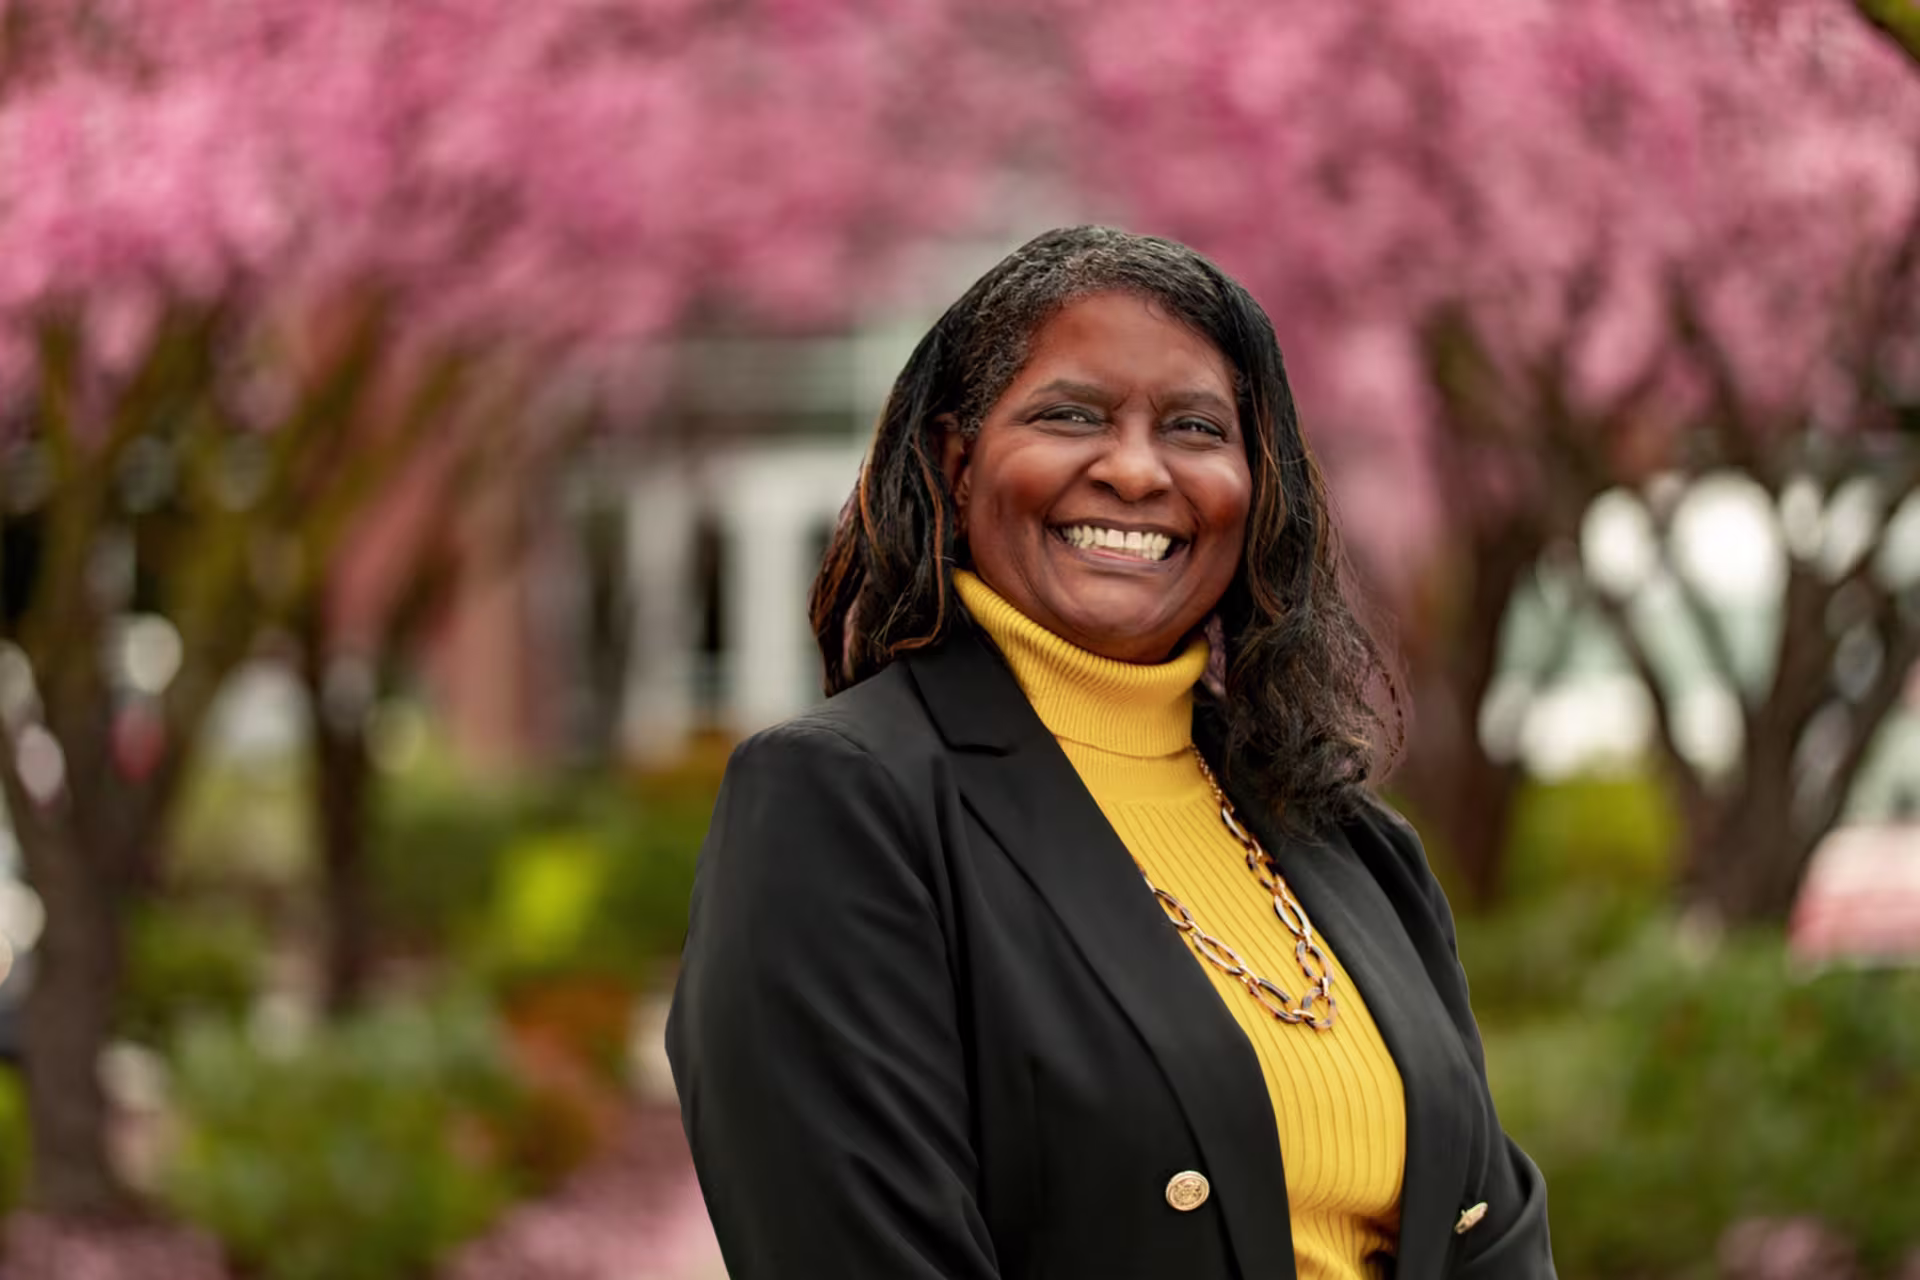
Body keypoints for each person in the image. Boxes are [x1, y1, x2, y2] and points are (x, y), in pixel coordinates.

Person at [666, 226, 1554, 1279]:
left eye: (1193, 427)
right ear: (955, 464)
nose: (1136, 470)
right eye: (1071, 415)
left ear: (1255, 484)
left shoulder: (1351, 841)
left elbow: (1492, 1234)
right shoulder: (841, 804)